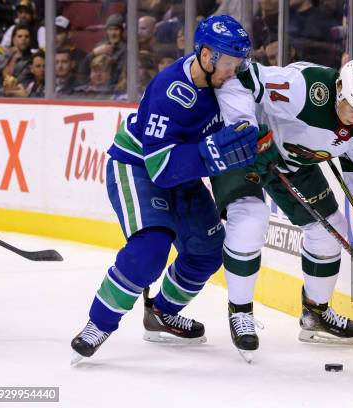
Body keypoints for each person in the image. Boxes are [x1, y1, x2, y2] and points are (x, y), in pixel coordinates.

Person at [70, 15, 258, 364]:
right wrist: (214, 153)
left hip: (183, 167)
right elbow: (161, 167)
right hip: (140, 166)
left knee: (207, 250)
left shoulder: (228, 81)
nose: (234, 70)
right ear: (206, 56)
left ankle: (161, 312)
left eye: (239, 62)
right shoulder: (170, 89)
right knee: (150, 248)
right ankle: (99, 324)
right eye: (229, 63)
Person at [212, 58, 353, 361]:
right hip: (247, 148)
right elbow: (238, 78)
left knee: (329, 230)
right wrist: (247, 128)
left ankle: (315, 314)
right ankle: (240, 311)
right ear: (339, 88)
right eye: (352, 107)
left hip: (293, 164)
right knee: (250, 219)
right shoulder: (303, 87)